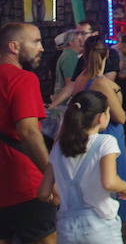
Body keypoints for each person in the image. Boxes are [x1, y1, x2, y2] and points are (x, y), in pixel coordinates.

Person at [38, 90, 126, 244]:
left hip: (67, 228)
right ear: (101, 117)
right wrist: (125, 187)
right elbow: (109, 182)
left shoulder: (58, 147)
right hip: (100, 227)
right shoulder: (106, 142)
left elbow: (43, 193)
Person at [65, 37, 126, 223]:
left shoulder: (81, 78)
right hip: (107, 136)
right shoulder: (100, 82)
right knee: (113, 197)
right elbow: (120, 117)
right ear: (106, 55)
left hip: (88, 137)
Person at [0, 22, 57, 244]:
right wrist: (50, 177)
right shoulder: (22, 79)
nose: (41, 48)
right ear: (14, 47)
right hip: (24, 181)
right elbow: (29, 132)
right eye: (35, 41)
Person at [54, 30, 83, 96]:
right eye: (78, 40)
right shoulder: (70, 56)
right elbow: (70, 83)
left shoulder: (68, 55)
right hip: (65, 102)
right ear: (71, 42)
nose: (82, 42)